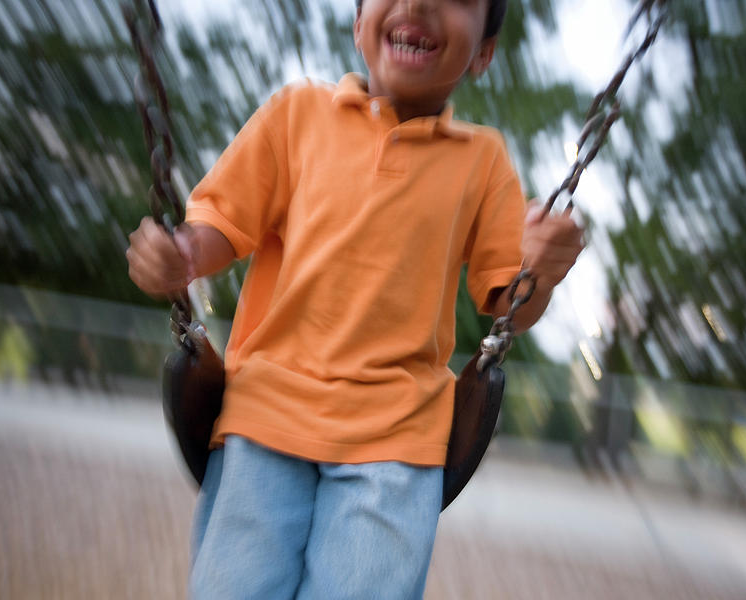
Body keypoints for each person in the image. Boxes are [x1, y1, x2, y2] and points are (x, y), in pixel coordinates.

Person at [126, 0, 584, 597]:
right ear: (358, 23)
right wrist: (179, 256)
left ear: (484, 53)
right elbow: (223, 225)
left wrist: (540, 270)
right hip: (264, 414)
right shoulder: (297, 115)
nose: (417, 4)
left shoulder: (484, 160)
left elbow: (509, 304)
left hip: (397, 439)